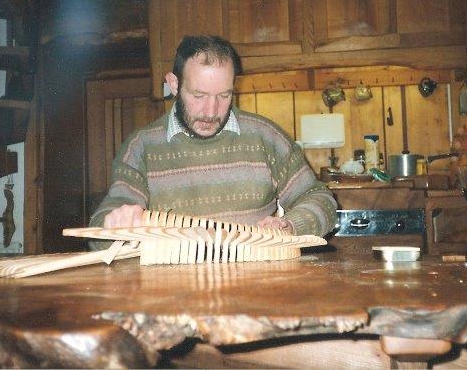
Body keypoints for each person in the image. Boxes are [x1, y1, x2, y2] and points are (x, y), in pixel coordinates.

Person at [89, 35, 337, 241]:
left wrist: (290, 226)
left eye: (224, 96)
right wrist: (113, 223)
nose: (211, 112)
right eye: (199, 95)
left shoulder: (266, 137)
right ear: (174, 85)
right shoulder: (141, 147)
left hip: (257, 286)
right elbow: (101, 227)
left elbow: (321, 199)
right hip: (173, 291)